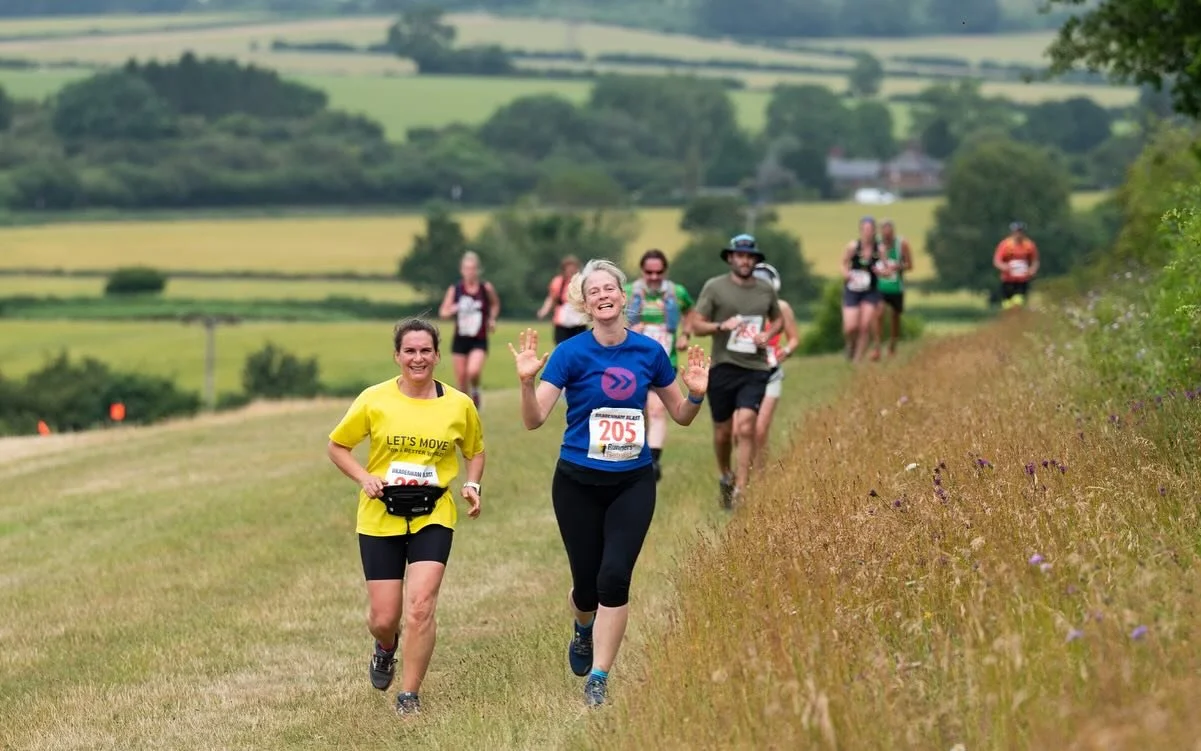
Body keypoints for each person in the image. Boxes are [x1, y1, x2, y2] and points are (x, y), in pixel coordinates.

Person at [508, 258, 710, 708]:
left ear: (624, 296)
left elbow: (681, 415)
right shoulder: (570, 354)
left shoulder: (649, 353)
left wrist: (696, 393)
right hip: (577, 482)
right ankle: (582, 628)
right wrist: (526, 384)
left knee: (614, 577)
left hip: (631, 482)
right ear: (585, 302)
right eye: (593, 290)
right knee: (585, 587)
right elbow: (535, 419)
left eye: (609, 288)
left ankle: (599, 676)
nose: (603, 295)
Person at [326, 317, 486, 716]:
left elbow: (475, 450)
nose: (418, 358)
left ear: (437, 354)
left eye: (426, 351)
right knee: (385, 618)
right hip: (381, 515)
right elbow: (337, 446)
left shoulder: (459, 404)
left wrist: (473, 484)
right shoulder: (374, 399)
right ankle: (385, 647)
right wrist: (364, 478)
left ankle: (409, 695)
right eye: (410, 351)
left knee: (420, 606)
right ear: (397, 355)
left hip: (434, 512)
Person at [691, 234, 782, 508]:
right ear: (731, 258)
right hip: (723, 366)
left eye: (749, 256)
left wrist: (767, 335)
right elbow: (696, 324)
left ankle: (741, 488)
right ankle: (725, 475)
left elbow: (778, 320)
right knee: (722, 431)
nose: (745, 261)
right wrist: (721, 326)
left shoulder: (765, 290)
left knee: (746, 425)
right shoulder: (715, 287)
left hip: (755, 367)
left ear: (755, 260)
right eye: (739, 255)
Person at [624, 249, 695, 482]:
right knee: (635, 412)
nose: (654, 277)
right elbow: (609, 320)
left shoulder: (677, 292)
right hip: (630, 363)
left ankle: (653, 463)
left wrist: (685, 334)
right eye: (649, 272)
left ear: (666, 271)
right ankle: (633, 456)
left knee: (656, 410)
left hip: (664, 362)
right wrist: (629, 330)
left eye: (659, 272)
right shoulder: (627, 292)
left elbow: (691, 313)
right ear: (641, 271)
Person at [750, 262, 800, 462]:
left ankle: (762, 476)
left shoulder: (782, 308)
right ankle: (745, 473)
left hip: (772, 372)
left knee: (760, 430)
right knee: (741, 431)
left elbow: (794, 338)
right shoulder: (741, 307)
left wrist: (786, 350)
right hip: (745, 370)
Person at [438, 251, 500, 408]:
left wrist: (491, 319)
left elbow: (494, 304)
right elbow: (443, 312)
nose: (470, 272)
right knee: (461, 380)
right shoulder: (456, 289)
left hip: (479, 338)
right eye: (466, 268)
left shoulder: (485, 288)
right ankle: (467, 410)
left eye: (473, 268)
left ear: (478, 270)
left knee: (473, 371)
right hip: (460, 338)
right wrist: (453, 309)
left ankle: (476, 390)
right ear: (461, 270)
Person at [840, 217, 884, 363]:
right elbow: (843, 263)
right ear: (861, 230)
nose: (867, 233)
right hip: (853, 288)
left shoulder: (880, 248)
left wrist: (883, 271)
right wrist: (846, 274)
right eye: (865, 229)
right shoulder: (853, 246)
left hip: (870, 290)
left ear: (874, 231)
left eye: (870, 229)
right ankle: (851, 345)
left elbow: (886, 268)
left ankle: (857, 360)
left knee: (865, 325)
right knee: (851, 327)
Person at [873, 219, 914, 358]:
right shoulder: (876, 245)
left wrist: (896, 267)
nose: (887, 236)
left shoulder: (902, 244)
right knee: (878, 313)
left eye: (889, 234)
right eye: (884, 234)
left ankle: (893, 344)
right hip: (880, 286)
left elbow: (910, 265)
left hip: (896, 287)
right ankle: (877, 347)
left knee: (895, 316)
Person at [537, 255, 589, 345]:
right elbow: (552, 298)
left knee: (580, 346)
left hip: (579, 321)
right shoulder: (558, 282)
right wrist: (544, 310)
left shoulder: (582, 281)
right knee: (561, 345)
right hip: (562, 320)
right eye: (568, 268)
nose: (571, 271)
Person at [994, 221, 1039, 310]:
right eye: (1016, 232)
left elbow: (1035, 261)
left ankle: (1017, 316)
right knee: (1007, 305)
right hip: (1008, 279)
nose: (1018, 234)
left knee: (1018, 302)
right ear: (1012, 232)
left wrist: (1032, 270)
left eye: (1020, 232)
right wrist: (1004, 267)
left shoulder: (1029, 245)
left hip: (1022, 279)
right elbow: (997, 260)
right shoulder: (1005, 245)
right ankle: (1009, 319)